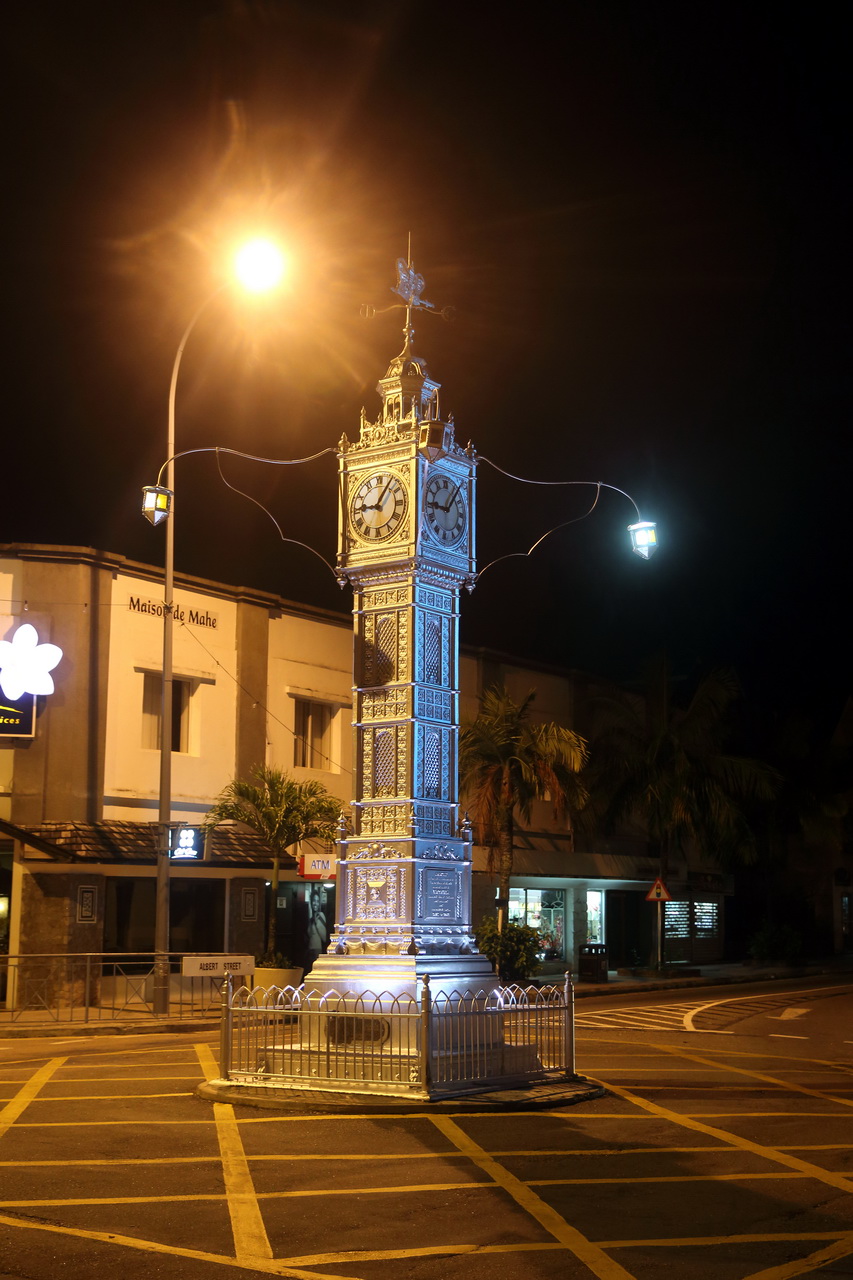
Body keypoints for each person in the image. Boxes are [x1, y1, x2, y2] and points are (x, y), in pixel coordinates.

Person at [305, 885, 328, 975]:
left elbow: (324, 937)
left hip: (317, 950)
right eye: (314, 901)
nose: (315, 903)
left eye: (317, 901)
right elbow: (309, 934)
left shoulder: (320, 916)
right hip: (310, 950)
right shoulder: (311, 918)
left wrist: (317, 923)